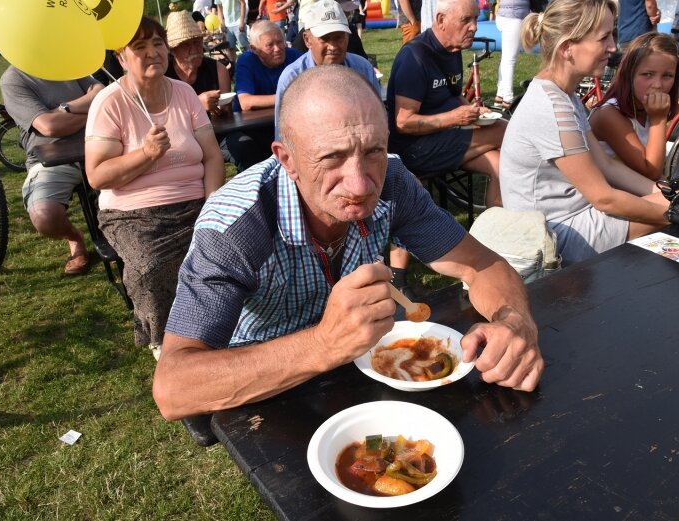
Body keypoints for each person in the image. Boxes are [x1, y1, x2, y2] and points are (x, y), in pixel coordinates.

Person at [152, 65, 544, 420]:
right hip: (261, 387)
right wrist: (324, 344)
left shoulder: (392, 181)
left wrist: (515, 322)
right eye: (332, 158)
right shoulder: (235, 227)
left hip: (357, 369)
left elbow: (482, 265)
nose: (359, 185)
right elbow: (174, 388)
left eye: (372, 150)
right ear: (286, 159)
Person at [85, 17, 225, 358]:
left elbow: (212, 157)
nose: (152, 53)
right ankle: (164, 341)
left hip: (195, 202)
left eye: (158, 44)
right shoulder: (110, 102)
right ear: (121, 58)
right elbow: (97, 175)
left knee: (230, 245)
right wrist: (145, 155)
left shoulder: (184, 93)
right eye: (140, 47)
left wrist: (212, 206)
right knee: (151, 266)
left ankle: (222, 321)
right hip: (132, 213)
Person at [499, 0, 670, 266]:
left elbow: (605, 165)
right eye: (603, 38)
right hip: (554, 237)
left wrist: (666, 192)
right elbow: (604, 198)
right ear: (567, 48)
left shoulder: (564, 94)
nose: (613, 47)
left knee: (673, 203)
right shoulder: (552, 108)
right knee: (676, 215)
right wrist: (673, 212)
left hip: (570, 219)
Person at [386, 0, 504, 209]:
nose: (474, 26)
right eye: (466, 20)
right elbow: (403, 123)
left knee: (502, 165)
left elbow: (453, 94)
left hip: (445, 137)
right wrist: (455, 117)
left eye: (475, 18)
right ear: (441, 20)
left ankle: (493, 234)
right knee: (505, 130)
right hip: (414, 150)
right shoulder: (415, 57)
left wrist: (473, 112)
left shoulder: (452, 48)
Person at [0, 68, 104, 275]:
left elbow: (100, 91)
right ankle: (74, 237)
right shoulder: (13, 79)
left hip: (101, 146)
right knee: (44, 215)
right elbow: (49, 127)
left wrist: (65, 109)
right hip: (51, 160)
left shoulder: (68, 64)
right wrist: (92, 108)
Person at [274, 0, 380, 135]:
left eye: (339, 38)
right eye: (325, 38)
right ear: (307, 40)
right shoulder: (292, 77)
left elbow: (378, 119)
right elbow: (283, 134)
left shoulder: (363, 69)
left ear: (348, 37)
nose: (333, 46)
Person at [589, 32, 679, 180]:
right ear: (629, 74)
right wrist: (658, 120)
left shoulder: (645, 109)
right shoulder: (609, 114)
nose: (657, 85)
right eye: (647, 74)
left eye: (667, 76)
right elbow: (651, 172)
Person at [227, 20, 302, 169]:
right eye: (270, 45)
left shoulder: (294, 56)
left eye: (280, 42)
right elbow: (246, 102)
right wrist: (287, 96)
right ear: (254, 49)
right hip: (253, 129)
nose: (278, 48)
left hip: (287, 125)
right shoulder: (246, 61)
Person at [164, 11, 232, 116]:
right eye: (186, 45)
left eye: (196, 42)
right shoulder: (163, 75)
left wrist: (223, 108)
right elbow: (160, 115)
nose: (194, 49)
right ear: (173, 50)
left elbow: (226, 111)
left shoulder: (218, 70)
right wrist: (197, 104)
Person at [494, 0, 530, 108]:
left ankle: (500, 96)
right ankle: (508, 100)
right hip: (514, 16)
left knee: (506, 58)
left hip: (504, 14)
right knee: (509, 60)